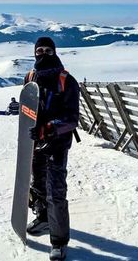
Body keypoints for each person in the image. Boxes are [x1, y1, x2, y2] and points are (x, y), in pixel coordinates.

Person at [25, 37, 79, 261]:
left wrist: (50, 128)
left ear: (55, 52)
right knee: (37, 184)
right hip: (35, 143)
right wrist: (29, 125)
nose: (43, 54)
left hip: (57, 144)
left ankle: (58, 241)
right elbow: (28, 107)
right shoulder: (30, 77)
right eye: (39, 50)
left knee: (55, 191)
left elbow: (72, 118)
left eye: (48, 50)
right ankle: (45, 218)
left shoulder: (66, 80)